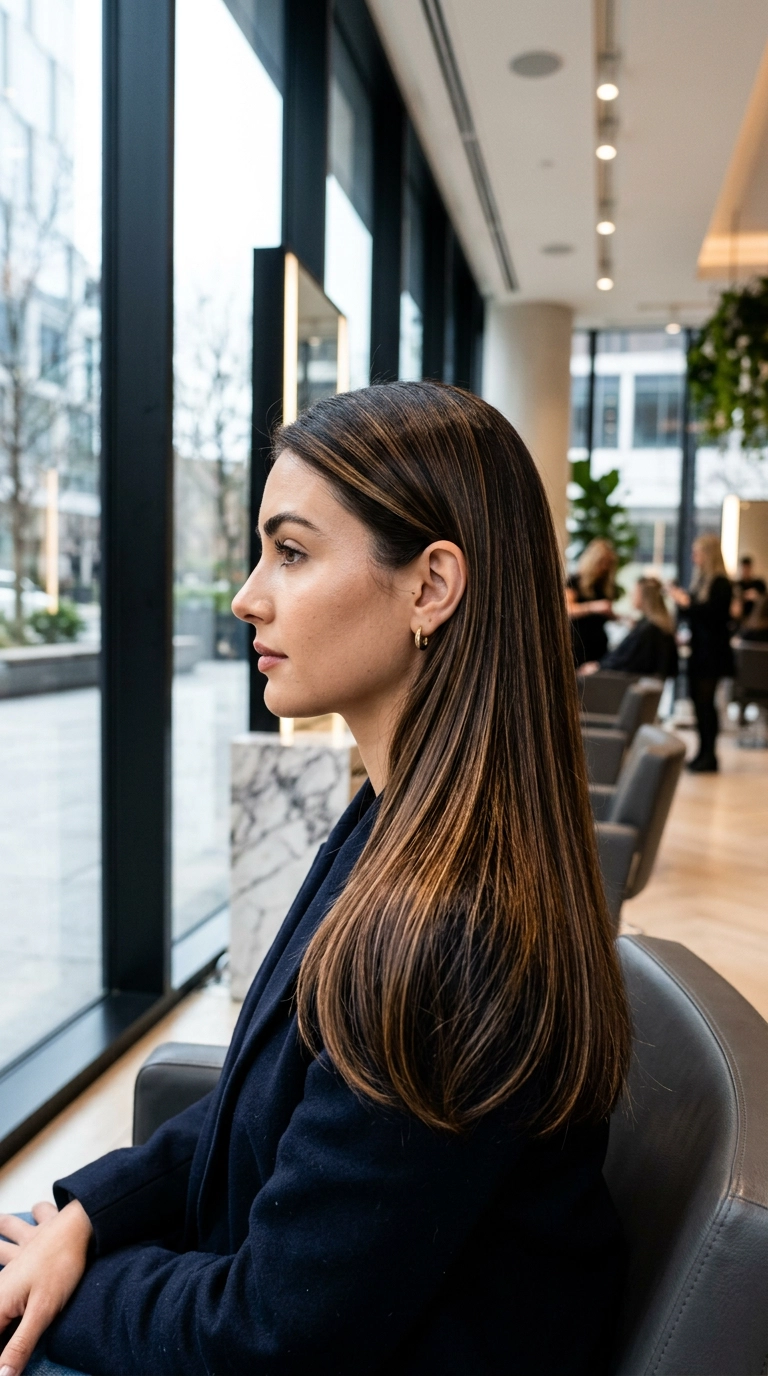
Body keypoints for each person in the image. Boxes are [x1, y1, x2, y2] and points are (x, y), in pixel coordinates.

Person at [0, 383, 630, 1376]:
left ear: (430, 586)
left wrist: (65, 1286)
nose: (249, 594)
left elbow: (274, 1334)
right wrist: (88, 1210)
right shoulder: (398, 822)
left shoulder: (450, 929)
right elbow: (268, 1103)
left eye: (290, 552)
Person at [669, 533, 733, 773]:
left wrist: (687, 604)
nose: (694, 557)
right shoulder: (702, 581)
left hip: (712, 653)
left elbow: (714, 617)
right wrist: (682, 603)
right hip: (699, 651)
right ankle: (703, 752)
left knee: (706, 704)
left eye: (697, 553)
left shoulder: (720, 583)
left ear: (708, 554)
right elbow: (692, 615)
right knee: (698, 703)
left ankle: (710, 754)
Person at [580, 576, 678, 679]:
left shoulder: (648, 629)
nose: (631, 595)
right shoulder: (657, 626)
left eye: (635, 592)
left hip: (625, 683)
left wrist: (599, 667)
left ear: (644, 596)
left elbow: (627, 661)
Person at [566, 538, 618, 667]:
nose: (605, 567)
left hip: (599, 645)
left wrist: (617, 616)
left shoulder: (604, 586)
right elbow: (567, 610)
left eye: (608, 563)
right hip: (578, 643)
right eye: (602, 562)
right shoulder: (575, 581)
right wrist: (594, 607)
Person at [731, 555, 767, 627]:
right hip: (741, 620)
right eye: (744, 568)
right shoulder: (737, 585)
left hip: (756, 619)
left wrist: (757, 596)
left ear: (751, 568)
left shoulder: (758, 584)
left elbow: (765, 600)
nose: (745, 571)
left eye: (747, 568)